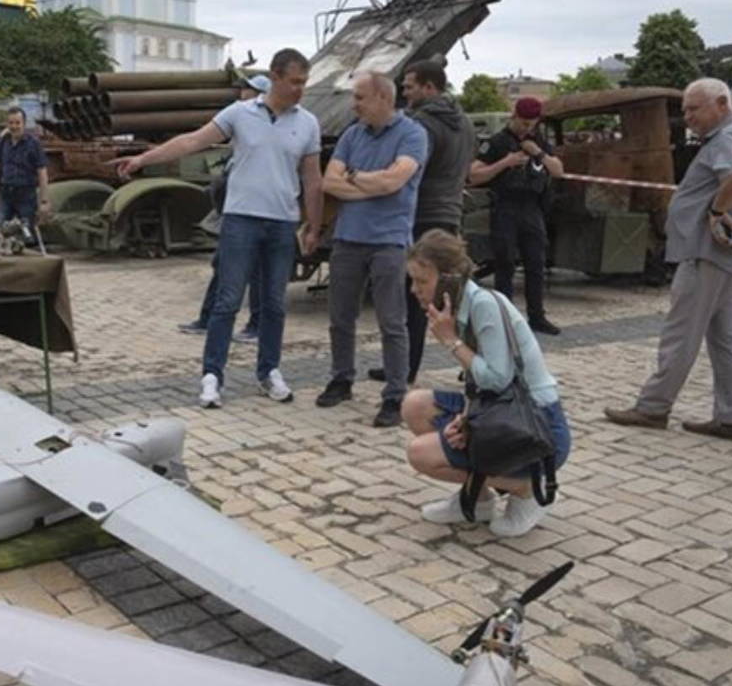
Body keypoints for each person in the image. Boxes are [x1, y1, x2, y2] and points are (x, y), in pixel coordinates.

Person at [113, 48, 324, 408]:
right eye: (294, 82)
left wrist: (313, 226)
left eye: (304, 82)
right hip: (241, 220)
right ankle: (212, 376)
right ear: (274, 77)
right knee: (227, 302)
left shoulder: (308, 123)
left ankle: (269, 371)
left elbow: (313, 179)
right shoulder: (239, 114)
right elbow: (193, 141)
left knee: (274, 304)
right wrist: (143, 159)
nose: (300, 89)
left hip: (282, 222)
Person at [604, 78, 732, 443]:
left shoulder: (728, 137)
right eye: (685, 110)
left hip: (705, 251)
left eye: (694, 109)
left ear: (722, 104)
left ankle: (652, 407)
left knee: (681, 333)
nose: (688, 117)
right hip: (725, 254)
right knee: (727, 340)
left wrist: (715, 208)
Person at [401, 229, 570, 537]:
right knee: (415, 406)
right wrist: (465, 419)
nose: (414, 289)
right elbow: (477, 385)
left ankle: (528, 489)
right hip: (503, 408)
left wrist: (451, 341)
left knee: (420, 453)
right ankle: (478, 499)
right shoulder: (461, 308)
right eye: (413, 280)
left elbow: (497, 378)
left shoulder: (484, 305)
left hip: (537, 430)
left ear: (450, 279)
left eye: (422, 281)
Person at [315, 72, 428, 427]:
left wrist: (352, 176)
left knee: (392, 322)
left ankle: (395, 395)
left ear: (382, 97)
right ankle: (341, 379)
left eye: (360, 97)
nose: (354, 104)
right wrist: (371, 182)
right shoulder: (352, 133)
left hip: (389, 241)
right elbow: (328, 182)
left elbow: (396, 181)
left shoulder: (413, 134)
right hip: (348, 238)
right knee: (340, 318)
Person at [371, 59, 476, 385]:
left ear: (429, 87)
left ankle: (404, 369)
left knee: (415, 296)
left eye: (409, 87)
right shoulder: (466, 123)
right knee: (455, 296)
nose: (405, 94)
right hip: (450, 214)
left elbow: (411, 170)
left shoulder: (422, 125)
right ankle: (475, 361)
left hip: (421, 217)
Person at [177, 75, 272, 342]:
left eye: (247, 89)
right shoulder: (239, 123)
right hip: (232, 213)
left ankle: (256, 326)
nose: (241, 93)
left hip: (255, 214)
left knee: (256, 272)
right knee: (223, 266)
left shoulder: (266, 128)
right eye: (242, 88)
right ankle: (207, 319)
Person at [468, 97, 564, 335]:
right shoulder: (498, 142)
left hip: (532, 208)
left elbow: (558, 171)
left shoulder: (538, 141)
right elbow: (475, 175)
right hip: (506, 207)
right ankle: (505, 317)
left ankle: (537, 316)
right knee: (505, 263)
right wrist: (505, 162)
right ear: (514, 116)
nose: (527, 128)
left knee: (535, 264)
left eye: (532, 123)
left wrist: (538, 152)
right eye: (523, 123)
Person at [0, 106, 50, 235]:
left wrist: (44, 200)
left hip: (25, 195)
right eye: (11, 123)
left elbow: (42, 171)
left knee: (27, 233)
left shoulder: (33, 144)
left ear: (24, 124)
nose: (14, 126)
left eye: (17, 123)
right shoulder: (3, 142)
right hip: (5, 193)